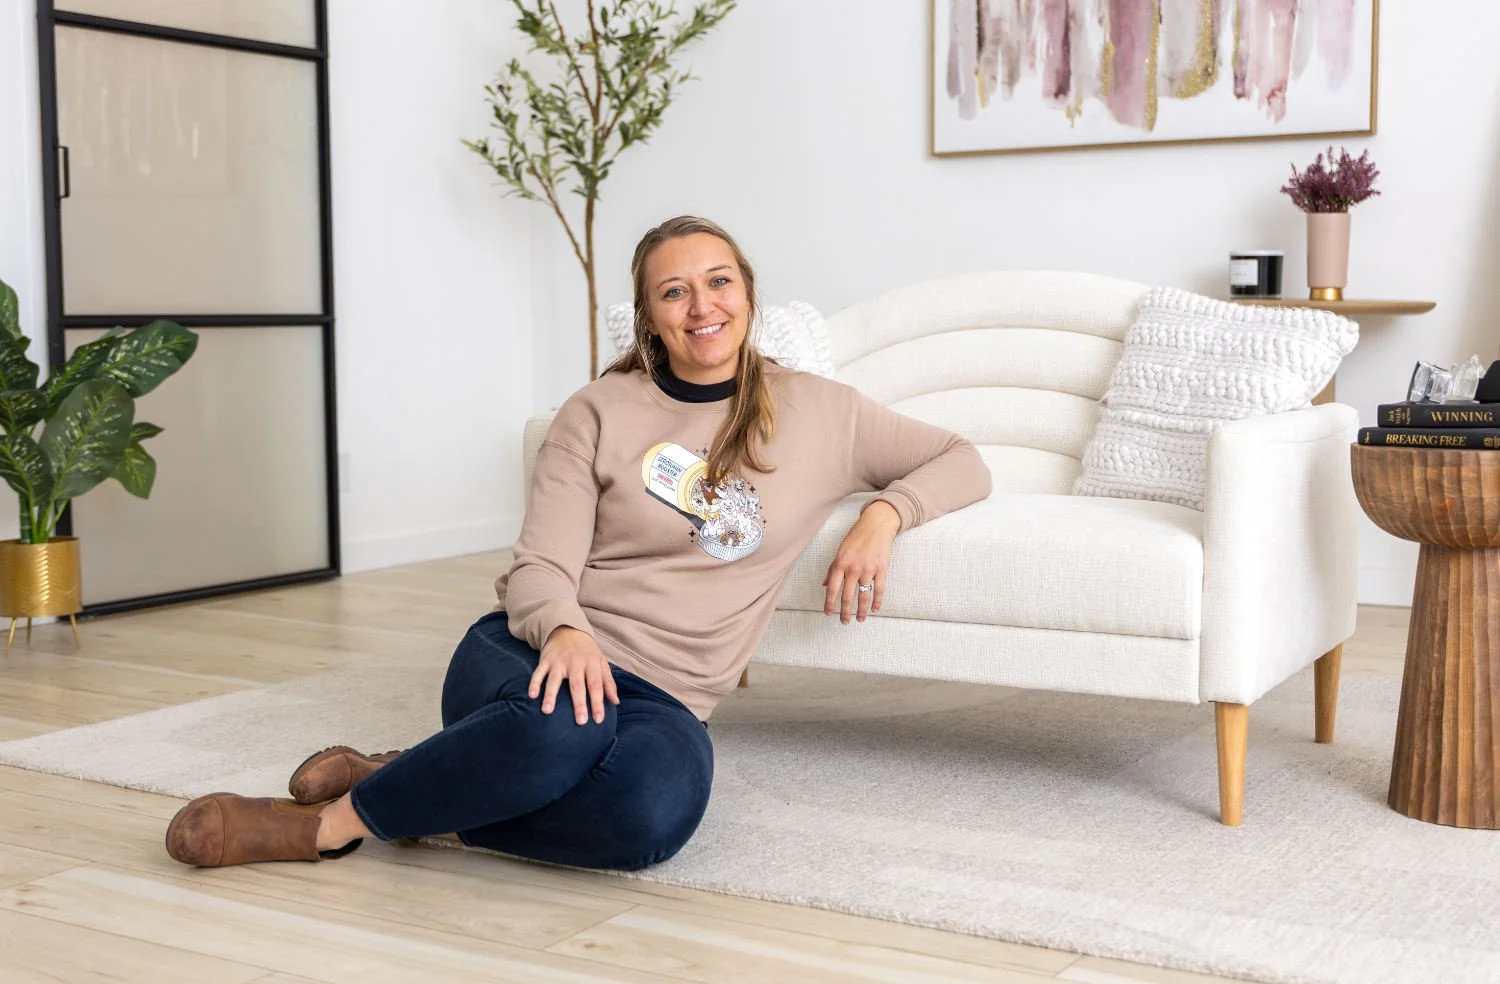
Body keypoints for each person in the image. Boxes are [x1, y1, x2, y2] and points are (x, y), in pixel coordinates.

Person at [164, 216, 992, 871]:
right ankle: (326, 829)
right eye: (675, 292)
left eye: (719, 283)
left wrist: (885, 516)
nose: (702, 307)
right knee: (562, 728)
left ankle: (409, 787)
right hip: (529, 655)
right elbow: (540, 568)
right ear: (649, 319)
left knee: (648, 820)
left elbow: (962, 460)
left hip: (668, 699)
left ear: (748, 296)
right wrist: (567, 631)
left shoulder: (823, 412)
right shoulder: (596, 411)